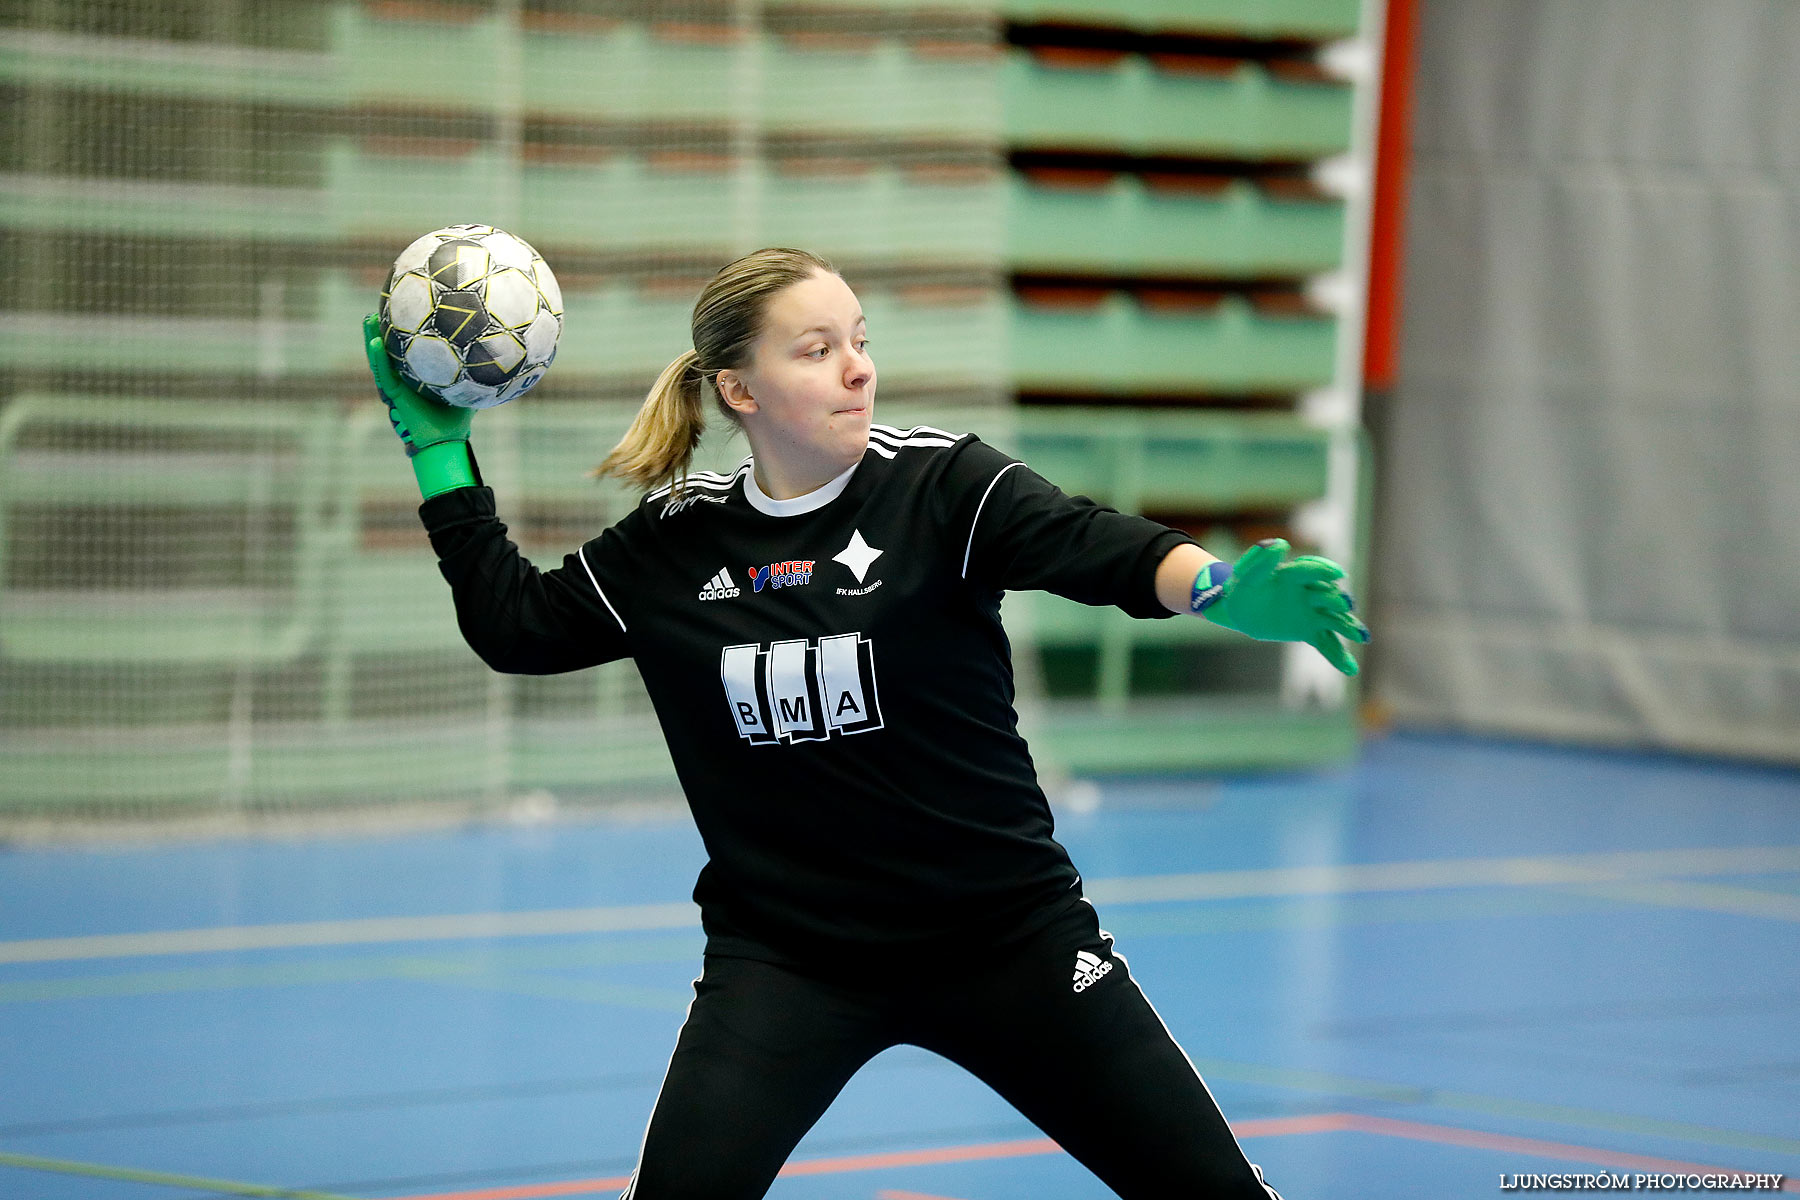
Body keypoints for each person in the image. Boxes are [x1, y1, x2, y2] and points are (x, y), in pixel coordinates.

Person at [363, 247, 1367, 1199]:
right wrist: (443, 456)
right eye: (818, 349)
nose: (858, 370)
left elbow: (1094, 545)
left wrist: (1221, 587)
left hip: (1008, 941)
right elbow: (519, 625)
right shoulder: (678, 543)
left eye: (860, 339)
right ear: (739, 391)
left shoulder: (945, 487)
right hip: (791, 961)